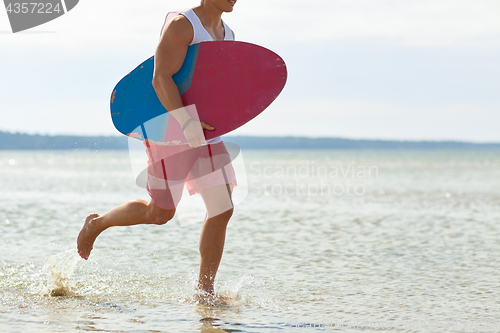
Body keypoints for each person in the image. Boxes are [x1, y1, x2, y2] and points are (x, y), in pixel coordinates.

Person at [77, 0, 238, 302]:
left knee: (222, 208)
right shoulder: (182, 25)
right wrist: (185, 121)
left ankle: (204, 293)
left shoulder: (228, 34)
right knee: (160, 212)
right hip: (170, 127)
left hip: (207, 130)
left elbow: (216, 89)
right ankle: (97, 224)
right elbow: (160, 77)